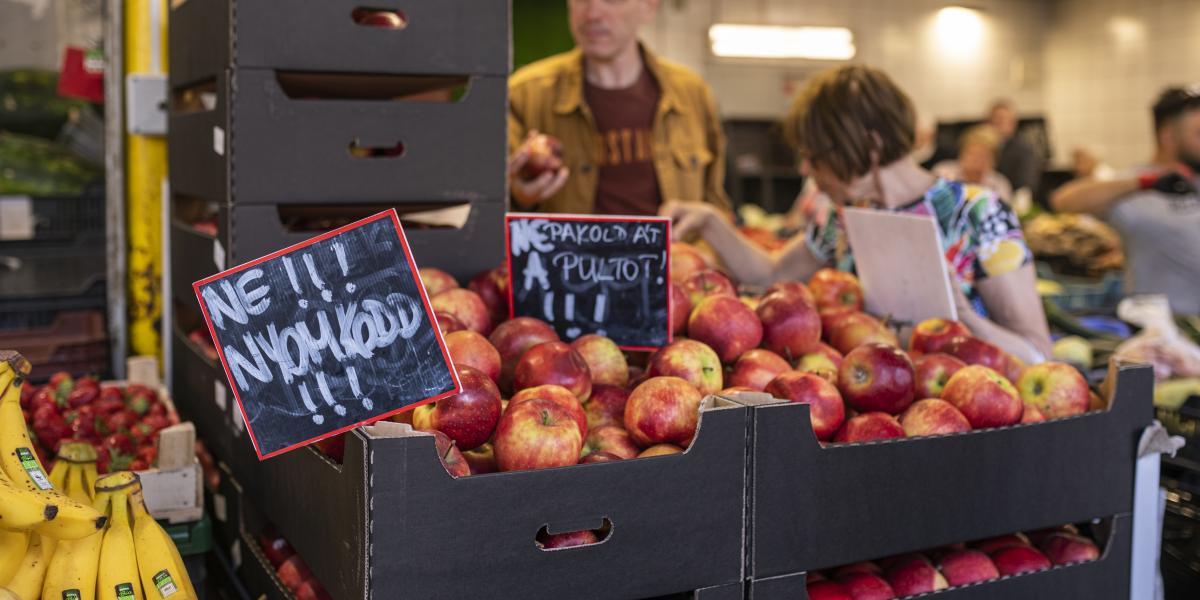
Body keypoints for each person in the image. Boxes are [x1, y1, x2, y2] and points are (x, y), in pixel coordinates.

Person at [661, 66, 1052, 363]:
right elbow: (771, 274)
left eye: (816, 156)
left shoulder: (978, 214)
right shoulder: (845, 215)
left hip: (965, 429)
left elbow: (1037, 354)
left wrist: (965, 317)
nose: (806, 169)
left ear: (871, 146)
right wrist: (711, 221)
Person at [506, 0, 730, 216]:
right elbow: (489, 211)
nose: (592, 13)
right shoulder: (525, 95)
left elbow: (716, 206)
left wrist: (704, 253)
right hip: (568, 255)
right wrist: (520, 199)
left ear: (649, 6)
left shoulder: (692, 95)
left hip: (673, 254)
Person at [1051, 87, 1200, 315]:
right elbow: (1063, 201)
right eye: (1198, 134)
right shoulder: (1134, 187)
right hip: (1164, 329)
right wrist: (1146, 182)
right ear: (1168, 137)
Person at [934, 125, 1014, 204]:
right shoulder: (943, 172)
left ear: (993, 161)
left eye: (982, 156)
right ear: (961, 153)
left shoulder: (999, 184)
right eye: (971, 154)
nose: (975, 160)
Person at [989, 99, 1043, 198]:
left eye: (1002, 120)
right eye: (995, 119)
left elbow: (1026, 184)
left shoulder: (1023, 150)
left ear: (1013, 124)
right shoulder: (982, 147)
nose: (998, 123)